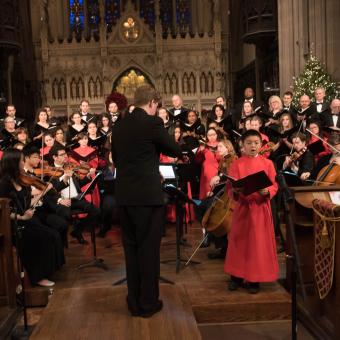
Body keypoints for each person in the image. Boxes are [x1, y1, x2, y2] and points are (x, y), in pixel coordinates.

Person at [111, 85, 182, 318]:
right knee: (148, 250)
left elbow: (119, 159)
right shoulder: (152, 123)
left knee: (131, 250)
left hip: (124, 195)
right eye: (157, 106)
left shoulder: (119, 124)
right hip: (147, 198)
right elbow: (173, 148)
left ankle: (134, 301)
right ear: (152, 102)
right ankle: (148, 304)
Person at [0, 148, 65, 287]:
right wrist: (21, 217)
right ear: (12, 163)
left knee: (53, 234)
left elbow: (28, 203)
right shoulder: (3, 184)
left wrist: (41, 194)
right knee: (42, 238)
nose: (23, 163)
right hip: (14, 224)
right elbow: (3, 212)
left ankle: (50, 270)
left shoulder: (21, 179)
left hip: (27, 219)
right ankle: (38, 276)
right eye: (21, 160)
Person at [225, 129, 278, 294]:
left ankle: (255, 279)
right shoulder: (237, 163)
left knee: (257, 243)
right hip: (243, 207)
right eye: (249, 143)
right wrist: (236, 189)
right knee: (239, 241)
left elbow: (274, 185)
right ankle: (236, 276)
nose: (253, 146)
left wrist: (267, 191)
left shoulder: (268, 164)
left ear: (261, 144)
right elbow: (230, 185)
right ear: (243, 145)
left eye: (256, 143)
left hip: (260, 208)